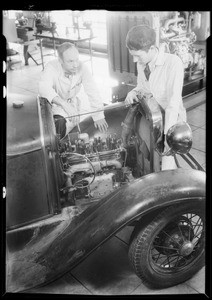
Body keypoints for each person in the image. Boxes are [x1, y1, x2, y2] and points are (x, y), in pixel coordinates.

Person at [125, 25, 187, 170]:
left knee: (167, 166)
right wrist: (133, 92)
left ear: (152, 49)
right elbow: (143, 86)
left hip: (172, 120)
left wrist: (167, 136)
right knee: (151, 157)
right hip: (154, 116)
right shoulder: (142, 63)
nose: (135, 60)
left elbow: (173, 103)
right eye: (132, 55)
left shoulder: (173, 63)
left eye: (137, 55)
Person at [38, 42, 108, 139]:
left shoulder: (82, 67)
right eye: (70, 61)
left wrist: (98, 115)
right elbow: (43, 88)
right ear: (60, 60)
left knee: (73, 131)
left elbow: (92, 91)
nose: (75, 65)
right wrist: (64, 104)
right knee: (58, 126)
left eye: (77, 60)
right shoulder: (51, 67)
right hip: (54, 105)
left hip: (72, 104)